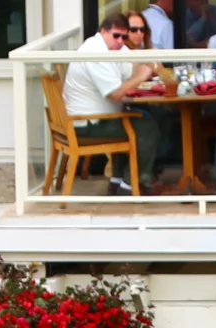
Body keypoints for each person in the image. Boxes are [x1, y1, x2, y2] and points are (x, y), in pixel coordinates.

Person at [63, 13, 161, 193]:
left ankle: (117, 181)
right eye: (116, 35)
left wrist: (145, 67)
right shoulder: (95, 51)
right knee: (147, 128)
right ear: (103, 32)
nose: (121, 41)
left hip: (98, 119)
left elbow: (131, 67)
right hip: (87, 124)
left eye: (124, 36)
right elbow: (115, 93)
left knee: (141, 120)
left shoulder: (115, 48)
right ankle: (131, 184)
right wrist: (142, 75)